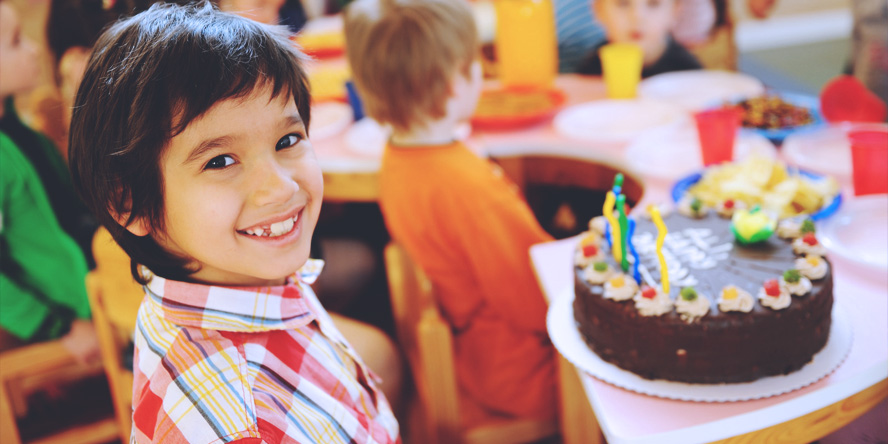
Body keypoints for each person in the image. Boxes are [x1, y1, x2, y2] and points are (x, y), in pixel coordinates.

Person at [66, 3, 400, 442]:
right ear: (131, 204)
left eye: (287, 139)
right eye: (221, 161)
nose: (280, 188)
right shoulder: (240, 424)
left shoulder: (239, 277)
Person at [344, 0, 558, 428]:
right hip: (518, 374)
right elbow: (541, 303)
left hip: (470, 355)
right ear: (452, 85)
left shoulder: (399, 156)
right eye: (475, 61)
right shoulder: (469, 189)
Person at [0, 0, 99, 365]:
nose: (33, 49)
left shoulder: (17, 130)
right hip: (74, 312)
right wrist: (58, 327)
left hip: (96, 280)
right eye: (14, 42)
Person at [576, 0, 704, 78]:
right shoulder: (592, 69)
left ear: (675, 11)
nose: (637, 17)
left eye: (653, 3)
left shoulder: (688, 72)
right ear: (599, 11)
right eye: (623, 3)